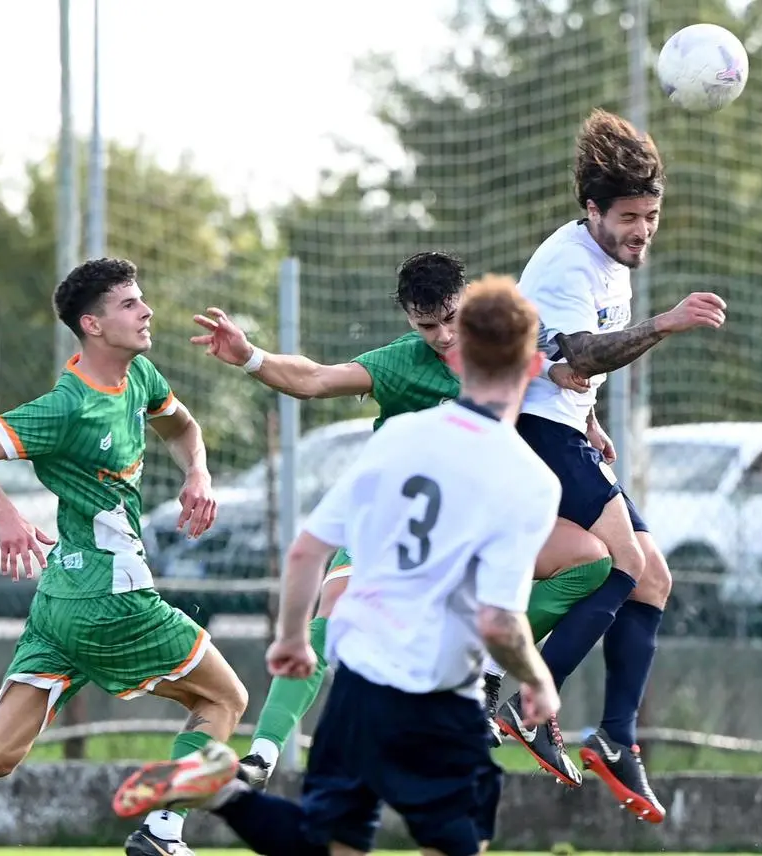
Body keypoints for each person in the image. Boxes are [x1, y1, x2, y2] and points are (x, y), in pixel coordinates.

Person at [113, 277, 564, 856]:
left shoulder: (397, 435)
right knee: (455, 845)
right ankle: (223, 790)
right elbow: (501, 624)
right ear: (530, 368)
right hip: (439, 696)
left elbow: (307, 548)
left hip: (360, 686)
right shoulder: (531, 480)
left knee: (325, 841)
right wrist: (537, 682)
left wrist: (293, 640)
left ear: (461, 355)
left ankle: (222, 792)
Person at [191, 251, 610, 787]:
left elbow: (553, 382)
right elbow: (316, 378)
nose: (441, 336)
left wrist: (589, 425)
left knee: (591, 562)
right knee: (330, 616)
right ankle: (265, 753)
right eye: (426, 325)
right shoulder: (401, 367)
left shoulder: (503, 344)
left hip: (472, 529)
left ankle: (481, 683)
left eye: (450, 320)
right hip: (401, 524)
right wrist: (252, 357)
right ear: (410, 321)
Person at [0, 258, 249, 856]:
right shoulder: (66, 406)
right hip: (112, 598)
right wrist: (7, 517)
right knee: (225, 699)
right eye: (129, 304)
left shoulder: (142, 377)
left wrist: (198, 475)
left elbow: (183, 428)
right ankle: (162, 832)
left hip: (62, 602)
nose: (146, 310)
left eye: (141, 299)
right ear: (92, 325)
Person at [490, 108, 727, 822]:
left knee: (654, 578)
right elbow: (575, 354)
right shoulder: (567, 260)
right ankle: (527, 702)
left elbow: (575, 367)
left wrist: (590, 418)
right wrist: (664, 323)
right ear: (592, 209)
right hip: (532, 433)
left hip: (564, 428)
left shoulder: (610, 260)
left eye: (650, 216)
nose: (641, 231)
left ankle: (616, 736)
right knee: (621, 565)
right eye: (628, 217)